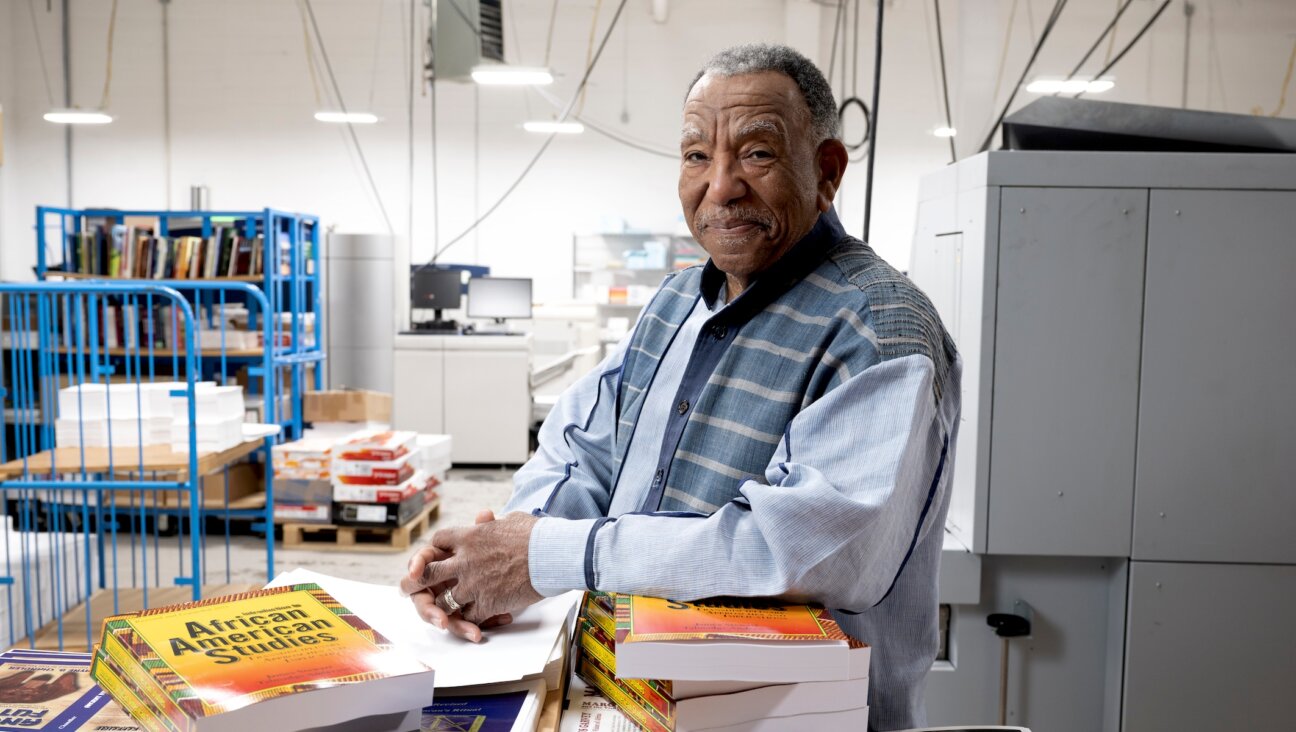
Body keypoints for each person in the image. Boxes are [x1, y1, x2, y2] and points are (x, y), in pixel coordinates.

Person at [399, 43, 961, 731]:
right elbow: (582, 450)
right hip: (627, 694)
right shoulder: (674, 304)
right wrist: (498, 560)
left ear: (827, 171)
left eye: (756, 154)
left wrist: (544, 554)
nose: (720, 186)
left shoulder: (879, 331)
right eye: (697, 156)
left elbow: (795, 552)